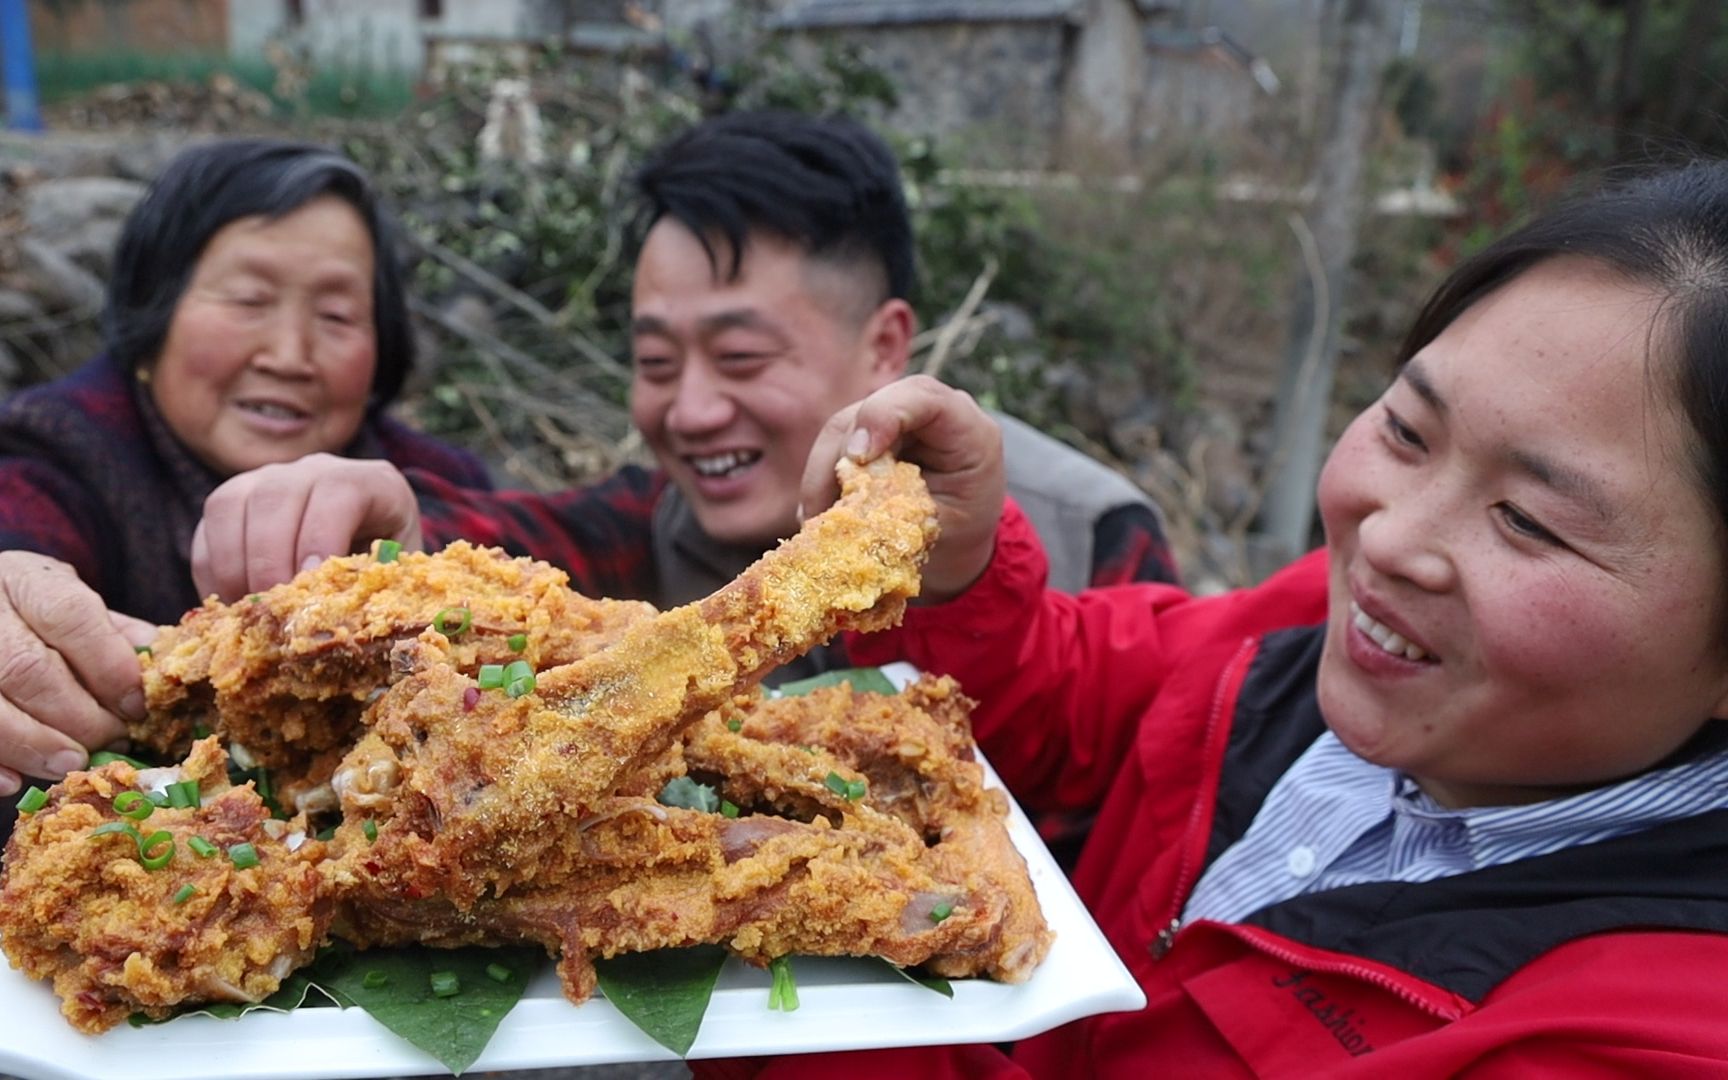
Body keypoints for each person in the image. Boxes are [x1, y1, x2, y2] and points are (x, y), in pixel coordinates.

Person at [690, 159, 1728, 1075]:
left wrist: (800, 987)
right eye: (1410, 431)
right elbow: (1065, 706)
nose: (1393, 538)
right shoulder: (1311, 638)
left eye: (1531, 521)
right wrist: (959, 569)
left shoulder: (1649, 1032)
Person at [0, 138, 491, 809]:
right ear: (155, 313)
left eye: (338, 315)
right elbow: (19, 536)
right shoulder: (58, 448)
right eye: (249, 299)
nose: (290, 354)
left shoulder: (431, 474)